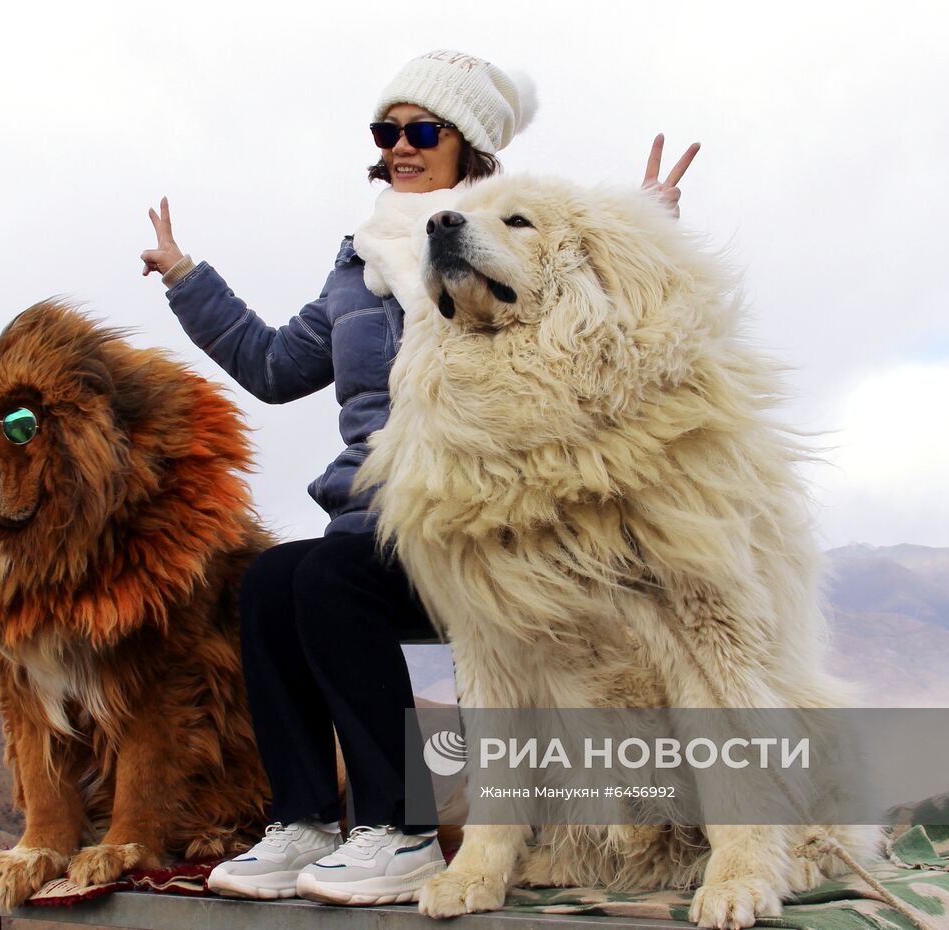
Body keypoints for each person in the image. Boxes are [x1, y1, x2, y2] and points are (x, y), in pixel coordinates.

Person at [139, 49, 698, 907]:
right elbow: (275, 365)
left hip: (485, 524)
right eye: (387, 131)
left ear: (467, 143)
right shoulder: (359, 263)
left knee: (329, 578)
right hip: (376, 521)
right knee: (271, 581)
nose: (400, 146)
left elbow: (597, 315)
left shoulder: (507, 240)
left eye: (421, 130)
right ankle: (304, 823)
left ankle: (399, 829)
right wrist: (187, 279)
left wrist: (646, 223)